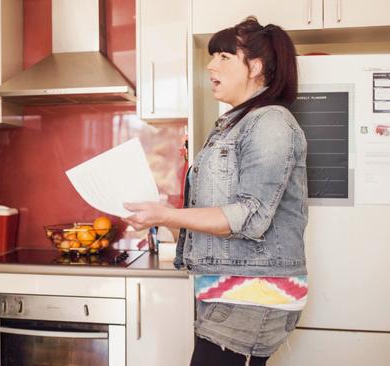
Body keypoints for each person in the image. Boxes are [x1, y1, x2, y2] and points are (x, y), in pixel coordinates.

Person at [124, 17, 308, 366]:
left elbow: (249, 215)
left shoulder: (271, 123)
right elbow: (216, 218)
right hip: (229, 291)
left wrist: (166, 214)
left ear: (256, 67)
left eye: (224, 56)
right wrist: (157, 216)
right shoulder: (234, 126)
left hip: (253, 294)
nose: (210, 65)